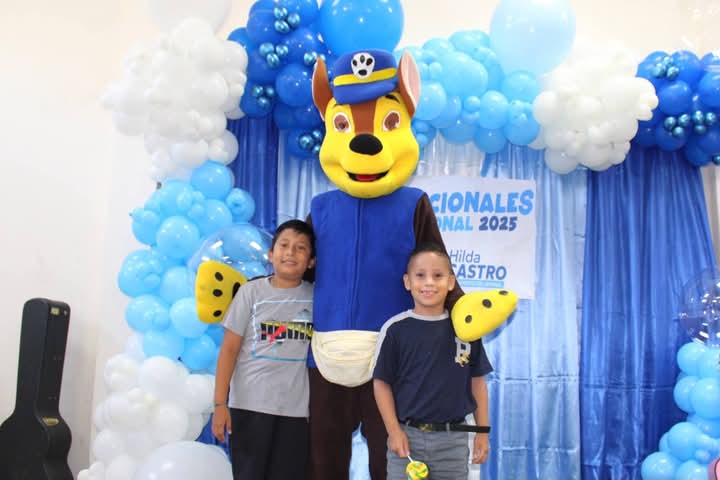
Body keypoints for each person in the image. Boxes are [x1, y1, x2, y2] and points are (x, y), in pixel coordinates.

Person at [373, 243, 493, 480]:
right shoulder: (395, 329)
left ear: (451, 282)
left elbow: (477, 383)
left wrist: (482, 432)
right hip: (407, 439)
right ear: (407, 282)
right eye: (420, 275)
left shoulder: (466, 329)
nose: (429, 282)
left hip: (453, 442)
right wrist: (394, 431)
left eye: (438, 276)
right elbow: (381, 384)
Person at [212, 219, 316, 480]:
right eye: (284, 245)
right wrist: (220, 404)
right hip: (249, 406)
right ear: (271, 254)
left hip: (295, 412)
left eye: (300, 248)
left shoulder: (317, 297)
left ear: (311, 261)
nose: (290, 252)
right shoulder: (251, 292)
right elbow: (229, 350)